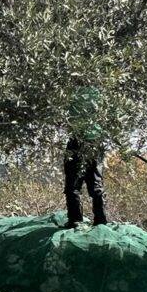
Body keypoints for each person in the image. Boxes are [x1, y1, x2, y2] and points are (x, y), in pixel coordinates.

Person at [64, 86, 108, 229]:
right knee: (96, 184)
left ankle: (75, 220)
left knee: (73, 185)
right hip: (96, 142)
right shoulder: (100, 92)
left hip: (77, 142)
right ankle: (101, 220)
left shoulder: (71, 91)